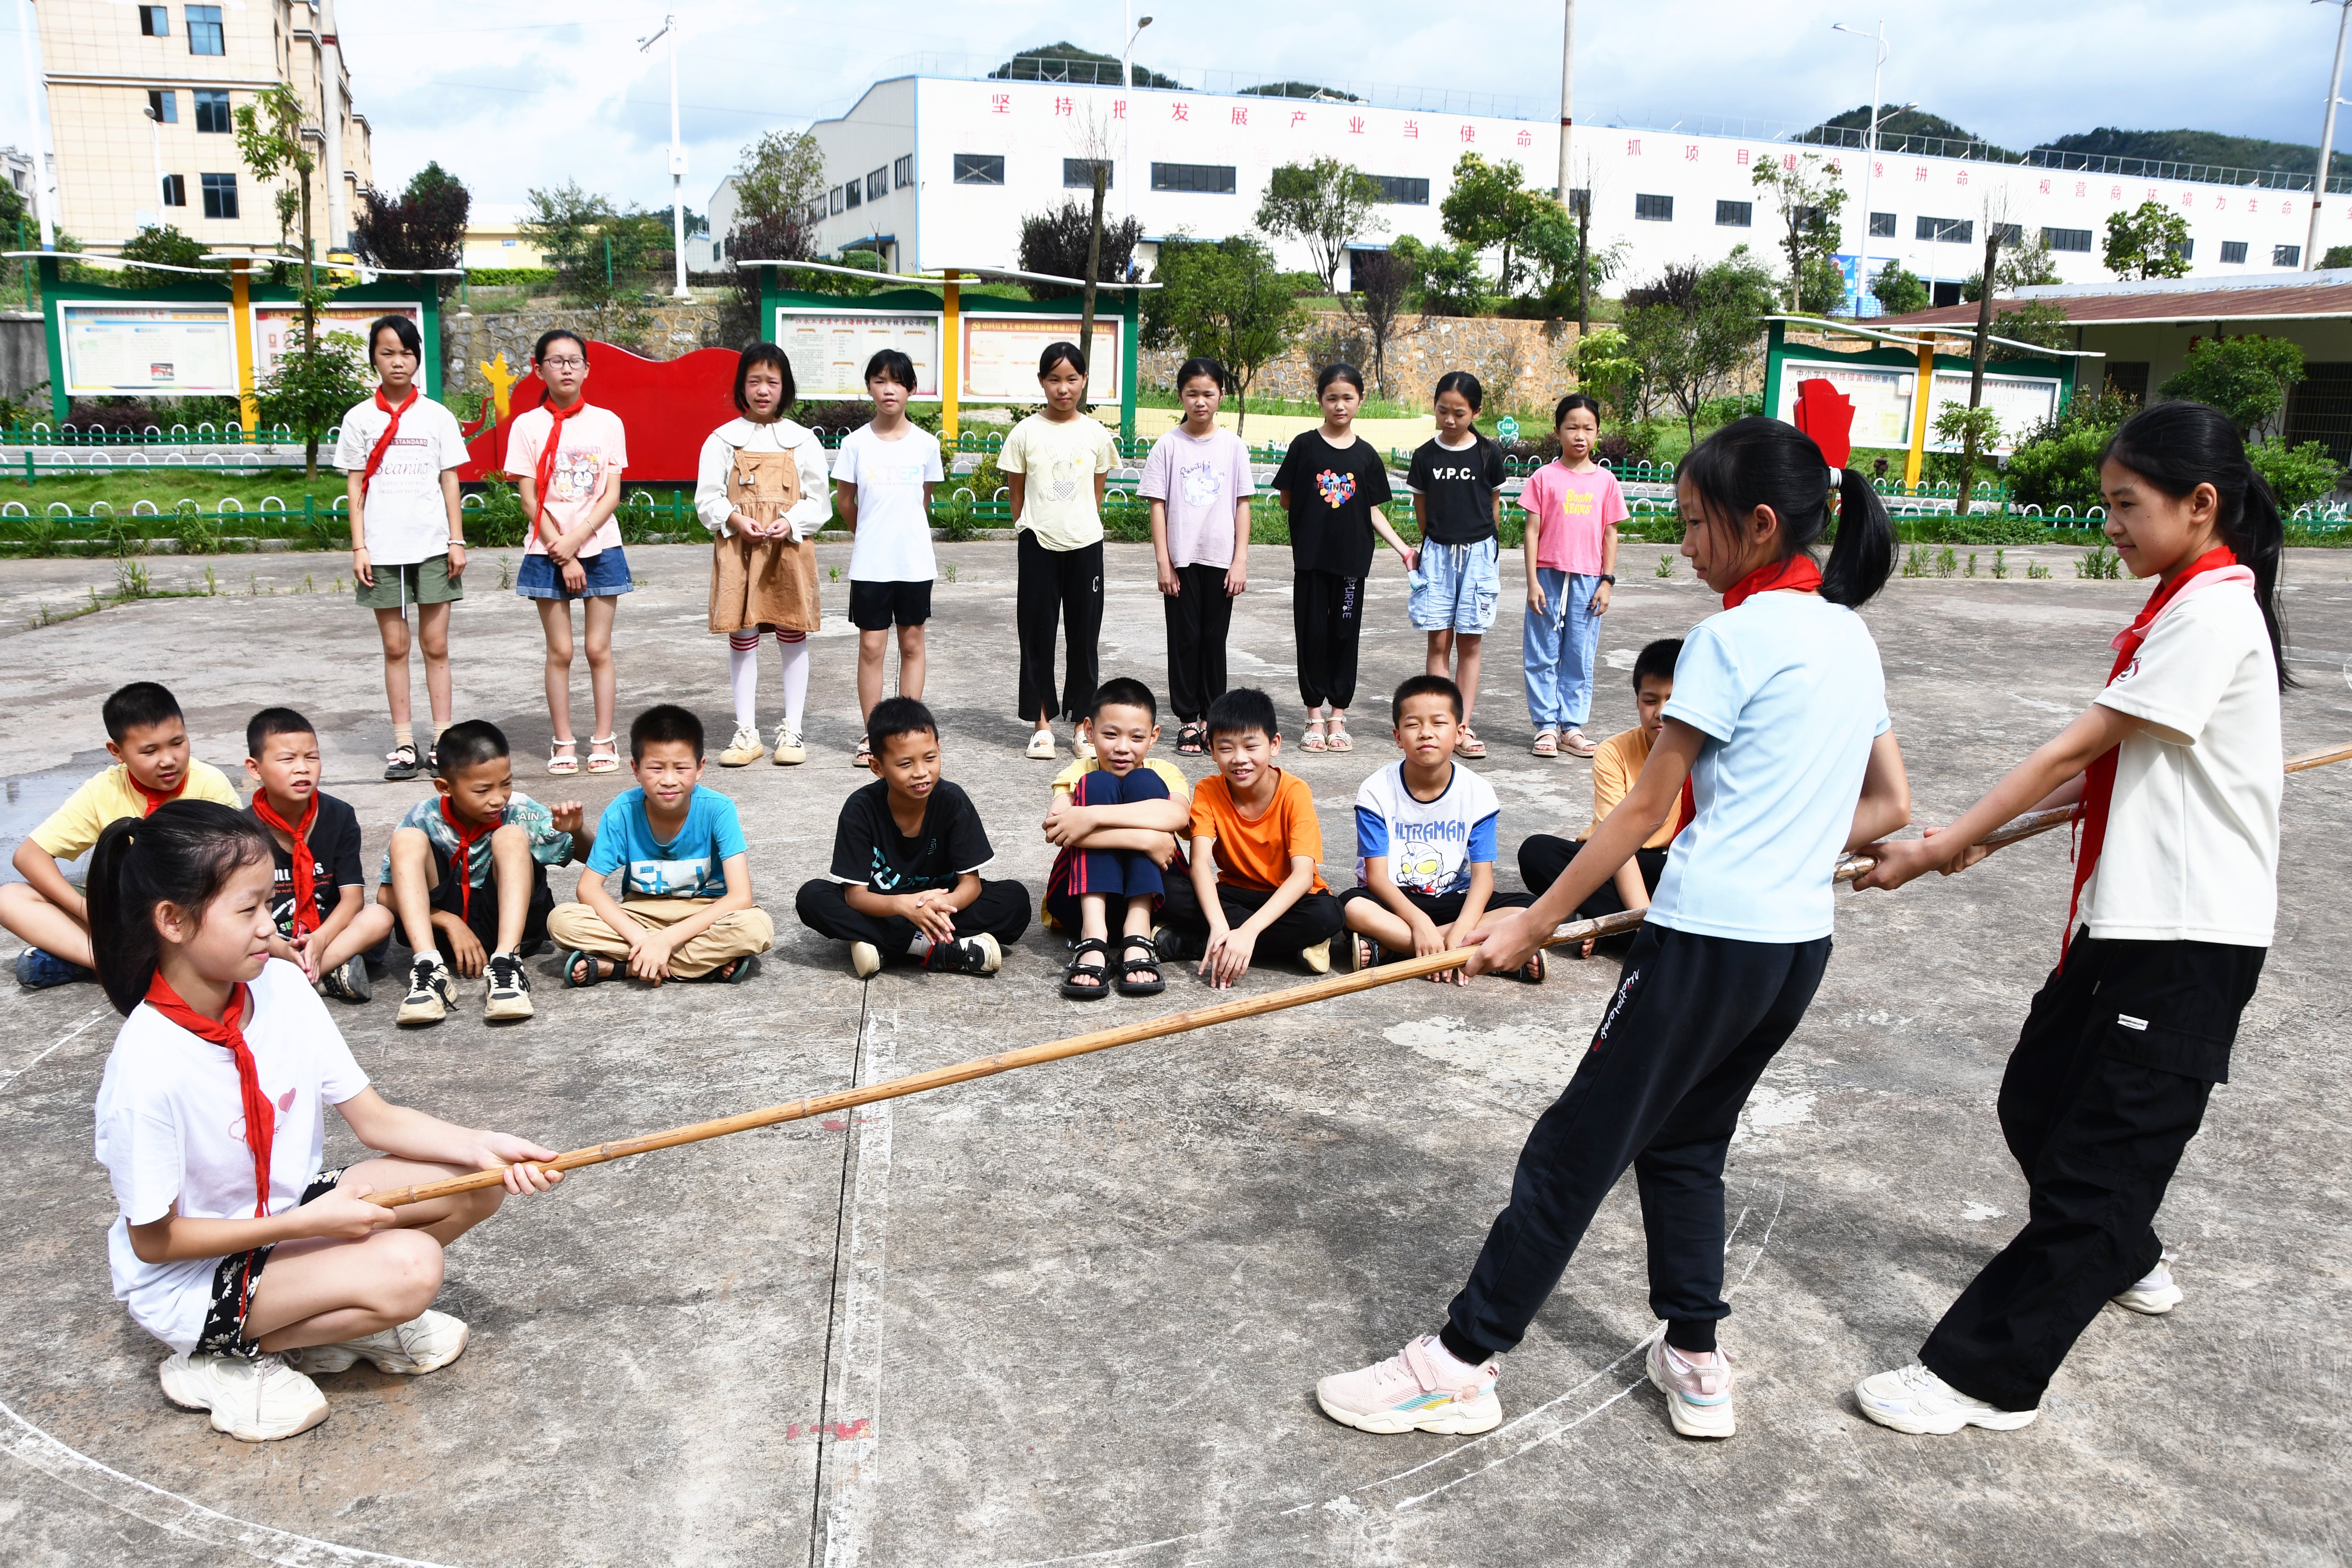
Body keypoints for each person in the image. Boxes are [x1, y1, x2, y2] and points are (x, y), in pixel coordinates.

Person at [1315, 415, 1905, 1444]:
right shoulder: (1847, 633)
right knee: (1686, 1144)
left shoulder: (1734, 637)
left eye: (1694, 524)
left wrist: (1529, 924)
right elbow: (1889, 805)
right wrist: (1798, 843)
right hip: (1793, 950)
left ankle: (1459, 1362)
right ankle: (1694, 1353)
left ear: (1759, 524)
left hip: (1704, 943)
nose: (1683, 544)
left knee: (1570, 1150)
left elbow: (1640, 811)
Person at [1850, 400, 2287, 1438]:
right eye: (2105, 506)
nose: (2112, 526)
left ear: (2200, 503)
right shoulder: (2182, 602)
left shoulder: (2212, 609)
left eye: (2126, 506)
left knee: (2095, 1170)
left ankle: (1984, 1376)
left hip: (2191, 939)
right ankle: (2125, 1251)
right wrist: (1967, 840)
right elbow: (2100, 780)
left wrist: (1937, 845)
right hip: (2125, 922)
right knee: (2036, 1097)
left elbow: (2066, 751)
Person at [87, 800, 564, 1443]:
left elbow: (375, 1119)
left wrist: (485, 1144)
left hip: (282, 1215)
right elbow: (155, 1242)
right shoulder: (148, 1065)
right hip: (193, 1274)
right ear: (172, 921)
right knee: (412, 1269)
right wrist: (311, 1224)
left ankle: (328, 1310)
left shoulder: (278, 988)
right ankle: (220, 1357)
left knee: (474, 1179)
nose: (271, 927)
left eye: (268, 904)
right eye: (247, 909)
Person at [3, 681, 241, 988]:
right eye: (150, 751)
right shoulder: (104, 789)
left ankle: (97, 959)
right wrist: (88, 911)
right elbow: (29, 855)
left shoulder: (210, 785)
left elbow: (238, 865)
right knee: (9, 898)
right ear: (117, 752)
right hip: (125, 916)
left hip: (191, 913)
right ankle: (113, 961)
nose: (168, 760)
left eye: (177, 743)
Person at [795, 697, 1032, 977]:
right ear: (878, 767)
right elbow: (856, 896)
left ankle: (885, 945)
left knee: (1014, 900)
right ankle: (936, 949)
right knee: (813, 897)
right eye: (905, 764)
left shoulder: (952, 801)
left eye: (930, 758)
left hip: (942, 907)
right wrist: (902, 906)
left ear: (940, 749)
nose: (921, 772)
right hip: (883, 906)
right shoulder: (860, 810)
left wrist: (935, 908)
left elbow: (971, 885)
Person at [379, 720, 588, 1027]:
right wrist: (447, 921)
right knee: (406, 839)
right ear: (445, 787)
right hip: (444, 936)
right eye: (483, 790)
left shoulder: (519, 810)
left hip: (507, 923)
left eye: (506, 783)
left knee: (511, 835)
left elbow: (588, 856)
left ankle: (508, 966)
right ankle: (429, 969)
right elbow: (385, 895)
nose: (498, 798)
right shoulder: (424, 816)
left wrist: (578, 830)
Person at [547, 704, 772, 988]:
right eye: (656, 769)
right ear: (636, 769)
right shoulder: (623, 811)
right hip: (640, 914)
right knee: (562, 921)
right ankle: (698, 966)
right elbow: (588, 888)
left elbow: (740, 897)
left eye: (681, 768)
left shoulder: (718, 809)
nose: (668, 780)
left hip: (702, 913)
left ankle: (623, 967)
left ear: (700, 768)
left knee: (755, 928)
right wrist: (643, 939)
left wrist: (666, 940)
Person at [335, 314, 470, 782]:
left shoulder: (437, 416)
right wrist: (359, 547)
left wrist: (456, 539)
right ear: (374, 356)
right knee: (396, 646)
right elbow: (356, 485)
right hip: (381, 549)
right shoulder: (359, 418)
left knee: (436, 645)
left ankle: (443, 741)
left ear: (418, 358)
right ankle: (403, 743)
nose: (398, 361)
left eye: (407, 352)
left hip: (433, 546)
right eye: (388, 352)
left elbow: (449, 479)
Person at [1339, 675, 1542, 984]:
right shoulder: (1376, 791)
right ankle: (1476, 953)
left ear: (1460, 732)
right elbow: (1378, 878)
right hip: (1395, 901)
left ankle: (1398, 950)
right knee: (1350, 907)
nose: (1426, 734)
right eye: (1413, 725)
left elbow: (1483, 879)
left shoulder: (1479, 792)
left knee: (1531, 909)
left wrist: (1461, 928)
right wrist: (1420, 922)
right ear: (1397, 736)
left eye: (1438, 723)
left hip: (1454, 899)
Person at [695, 342, 832, 768]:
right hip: (740, 549)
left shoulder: (802, 440)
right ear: (742, 386)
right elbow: (707, 499)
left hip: (787, 549)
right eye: (754, 381)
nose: (762, 390)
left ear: (785, 388)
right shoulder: (721, 440)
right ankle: (747, 732)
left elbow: (819, 500)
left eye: (772, 381)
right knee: (743, 635)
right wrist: (734, 519)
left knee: (793, 632)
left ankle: (793, 729)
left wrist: (791, 521)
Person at [1156, 686, 1344, 985]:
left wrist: (1248, 931)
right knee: (1165, 890)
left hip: (1293, 898)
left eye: (1251, 746)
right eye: (1226, 748)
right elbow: (1201, 864)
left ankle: (1196, 944)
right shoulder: (1208, 790)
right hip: (1236, 893)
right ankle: (1292, 947)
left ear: (1275, 745)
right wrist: (1219, 924)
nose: (1239, 759)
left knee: (1328, 915)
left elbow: (1303, 877)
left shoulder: (1295, 792)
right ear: (1212, 750)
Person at [506, 328, 631, 777]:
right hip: (547, 548)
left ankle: (604, 738)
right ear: (539, 368)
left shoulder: (607, 422)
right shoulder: (526, 426)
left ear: (586, 369)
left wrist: (577, 540)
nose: (565, 369)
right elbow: (528, 497)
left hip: (598, 545)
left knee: (599, 648)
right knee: (560, 650)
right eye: (555, 361)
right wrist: (562, 550)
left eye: (574, 361)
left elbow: (612, 493)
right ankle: (563, 741)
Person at [1271, 364, 1413, 755]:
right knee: (1312, 635)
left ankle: (1338, 716)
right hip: (1312, 562)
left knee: (1344, 637)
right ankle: (1314, 716)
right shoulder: (1303, 446)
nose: (1339, 405)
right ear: (1320, 400)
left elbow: (1371, 510)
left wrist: (1403, 549)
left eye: (1347, 398)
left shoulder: (1367, 456)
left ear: (1360, 401)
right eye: (1332, 397)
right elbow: (1288, 498)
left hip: (1352, 565)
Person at [1517, 638, 1691, 957]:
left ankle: (1609, 927)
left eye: (1673, 699)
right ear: (1637, 701)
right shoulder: (1615, 751)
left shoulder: (1706, 751)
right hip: (1615, 857)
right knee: (1537, 853)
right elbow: (1618, 844)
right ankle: (1644, 933)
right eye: (1650, 700)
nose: (1661, 712)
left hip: (1673, 865)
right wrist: (1645, 924)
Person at [1001, 340, 1117, 762]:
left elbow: (1096, 490)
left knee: (1085, 639)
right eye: (1054, 379)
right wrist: (1034, 524)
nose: (1063, 388)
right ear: (1042, 382)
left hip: (1086, 545)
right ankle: (1043, 724)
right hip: (1038, 544)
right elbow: (1017, 494)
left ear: (1084, 381)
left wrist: (1079, 521)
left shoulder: (1096, 434)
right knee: (1037, 636)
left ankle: (1084, 725)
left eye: (1071, 379)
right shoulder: (1025, 433)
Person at [1040, 677, 1191, 999]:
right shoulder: (1078, 772)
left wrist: (1092, 817)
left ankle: (1137, 934)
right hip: (1081, 904)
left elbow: (1178, 817)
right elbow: (1057, 828)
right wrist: (1145, 840)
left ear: (1153, 737)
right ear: (1089, 731)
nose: (1122, 748)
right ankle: (1092, 938)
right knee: (1097, 784)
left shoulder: (1164, 771)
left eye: (1136, 737)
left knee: (1144, 782)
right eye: (1110, 734)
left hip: (1154, 898)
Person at [833, 348, 945, 767]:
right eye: (880, 380)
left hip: (914, 561)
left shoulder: (926, 444)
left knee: (912, 642)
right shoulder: (856, 443)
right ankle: (872, 736)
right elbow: (846, 502)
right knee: (871, 646)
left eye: (897, 381)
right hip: (871, 562)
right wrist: (871, 534)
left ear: (911, 389)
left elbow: (923, 501)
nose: (888, 389)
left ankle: (906, 731)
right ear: (869, 388)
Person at [242, 707, 395, 1004]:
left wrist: (321, 939)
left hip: (333, 936)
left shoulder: (339, 816)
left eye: (311, 757)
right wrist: (279, 947)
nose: (302, 768)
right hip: (271, 938)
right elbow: (245, 911)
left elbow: (352, 898)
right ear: (254, 768)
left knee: (380, 916)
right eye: (288, 759)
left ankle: (298, 979)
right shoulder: (242, 831)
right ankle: (327, 976)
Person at [1143, 357, 1253, 756]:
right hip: (1182, 561)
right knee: (1185, 640)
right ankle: (1188, 720)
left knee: (1214, 640)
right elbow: (1157, 505)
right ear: (1180, 396)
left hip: (1221, 560)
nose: (1201, 402)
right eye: (1192, 394)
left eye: (1209, 393)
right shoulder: (1168, 445)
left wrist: (1240, 559)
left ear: (1221, 395)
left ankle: (1213, 717)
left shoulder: (1233, 446)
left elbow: (1242, 505)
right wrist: (1163, 561)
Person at [1405, 371, 1508, 759]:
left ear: (1476, 412)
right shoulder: (1425, 455)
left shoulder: (1488, 453)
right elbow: (1421, 508)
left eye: (1459, 413)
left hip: (1480, 555)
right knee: (1438, 640)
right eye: (1443, 410)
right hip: (1437, 554)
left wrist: (1487, 545)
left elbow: (1494, 504)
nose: (1449, 420)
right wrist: (1434, 545)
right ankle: (1437, 720)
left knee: (1470, 642)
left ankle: (1462, 725)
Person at [1520, 394, 1626, 759]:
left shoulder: (1606, 481)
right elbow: (1532, 530)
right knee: (1542, 653)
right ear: (1558, 431)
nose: (1580, 436)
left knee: (1580, 654)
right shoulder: (1543, 478)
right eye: (1572, 427)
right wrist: (1532, 581)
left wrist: (1607, 581)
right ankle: (1546, 727)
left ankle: (1572, 726)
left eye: (1588, 428)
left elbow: (1610, 534)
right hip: (1548, 577)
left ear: (1597, 433)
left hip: (1588, 580)